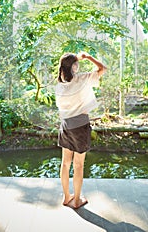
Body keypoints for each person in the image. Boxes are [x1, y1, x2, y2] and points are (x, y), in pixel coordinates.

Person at [55, 51, 107, 209]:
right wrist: (88, 57)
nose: (78, 66)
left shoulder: (60, 84)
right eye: (76, 63)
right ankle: (77, 200)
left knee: (65, 164)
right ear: (74, 66)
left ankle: (66, 197)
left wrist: (75, 60)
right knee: (78, 165)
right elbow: (102, 69)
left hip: (65, 125)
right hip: (80, 127)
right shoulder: (81, 79)